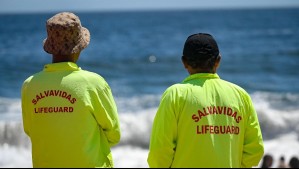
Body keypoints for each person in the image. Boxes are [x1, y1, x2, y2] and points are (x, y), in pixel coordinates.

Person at [147, 33, 264, 168]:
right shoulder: (241, 96)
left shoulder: (175, 95)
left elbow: (159, 152)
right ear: (218, 61)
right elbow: (255, 150)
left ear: (184, 62)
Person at [21, 12, 121, 168]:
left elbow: (30, 130)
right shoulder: (93, 82)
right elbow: (114, 134)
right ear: (79, 48)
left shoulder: (30, 85)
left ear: (50, 47)